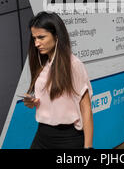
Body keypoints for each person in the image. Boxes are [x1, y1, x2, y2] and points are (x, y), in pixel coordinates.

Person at [23, 11, 93, 149]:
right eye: (34, 38)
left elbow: (86, 108)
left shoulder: (73, 65)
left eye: (41, 37)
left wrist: (88, 147)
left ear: (56, 36)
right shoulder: (42, 63)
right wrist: (32, 102)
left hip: (68, 140)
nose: (36, 43)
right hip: (42, 135)